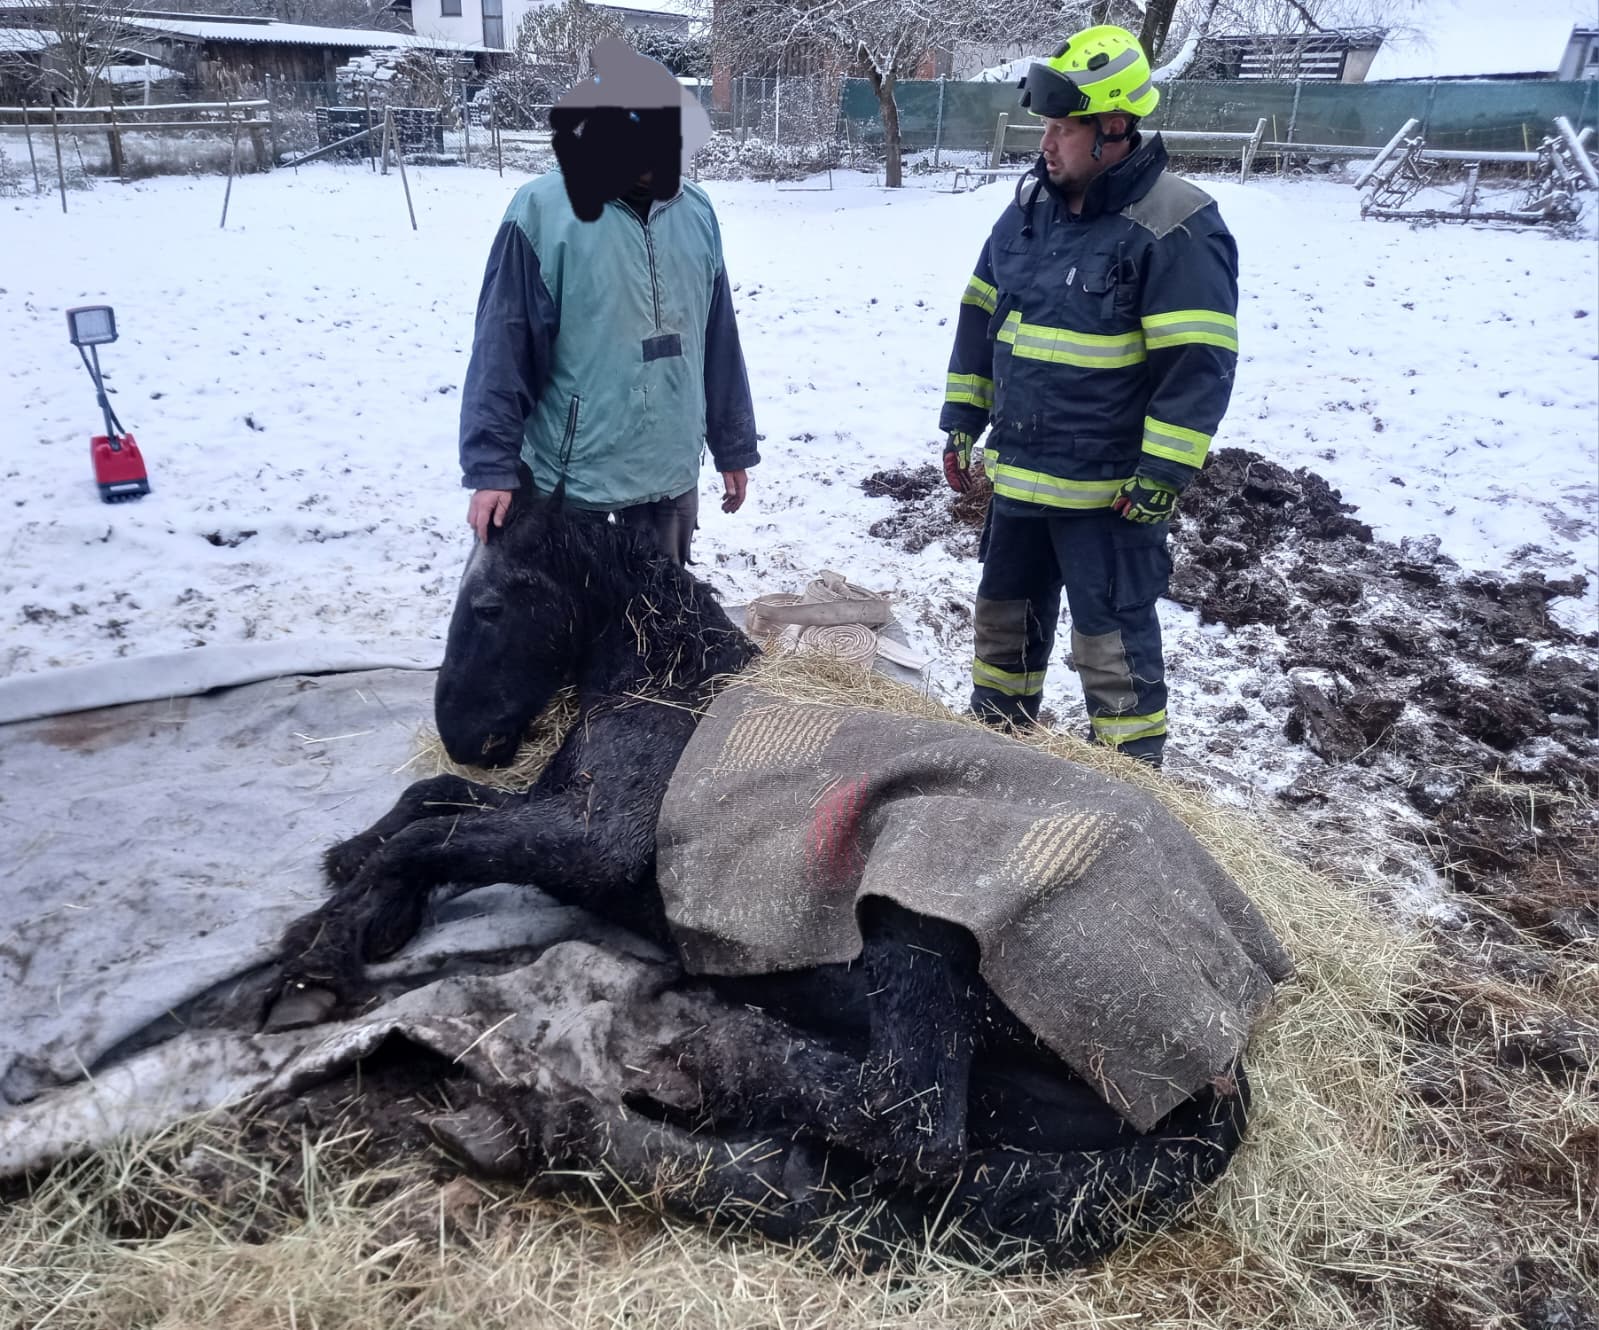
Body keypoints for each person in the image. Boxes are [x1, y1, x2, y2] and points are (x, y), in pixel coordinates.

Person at [939, 24, 1239, 767]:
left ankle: (1129, 793)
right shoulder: (1026, 211)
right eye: (1045, 126)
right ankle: (995, 763)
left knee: (1111, 652)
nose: (1045, 144)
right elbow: (980, 317)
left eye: (1062, 129)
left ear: (1113, 126)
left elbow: (1197, 364)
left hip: (1108, 498)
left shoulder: (1175, 223)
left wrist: (1162, 474)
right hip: (1019, 481)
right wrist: (961, 419)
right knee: (1001, 632)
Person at [458, 39, 759, 565]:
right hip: (573, 482)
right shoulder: (543, 212)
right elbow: (503, 347)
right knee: (567, 612)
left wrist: (732, 445)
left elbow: (718, 339)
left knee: (658, 611)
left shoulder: (697, 211)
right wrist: (492, 468)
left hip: (669, 474)